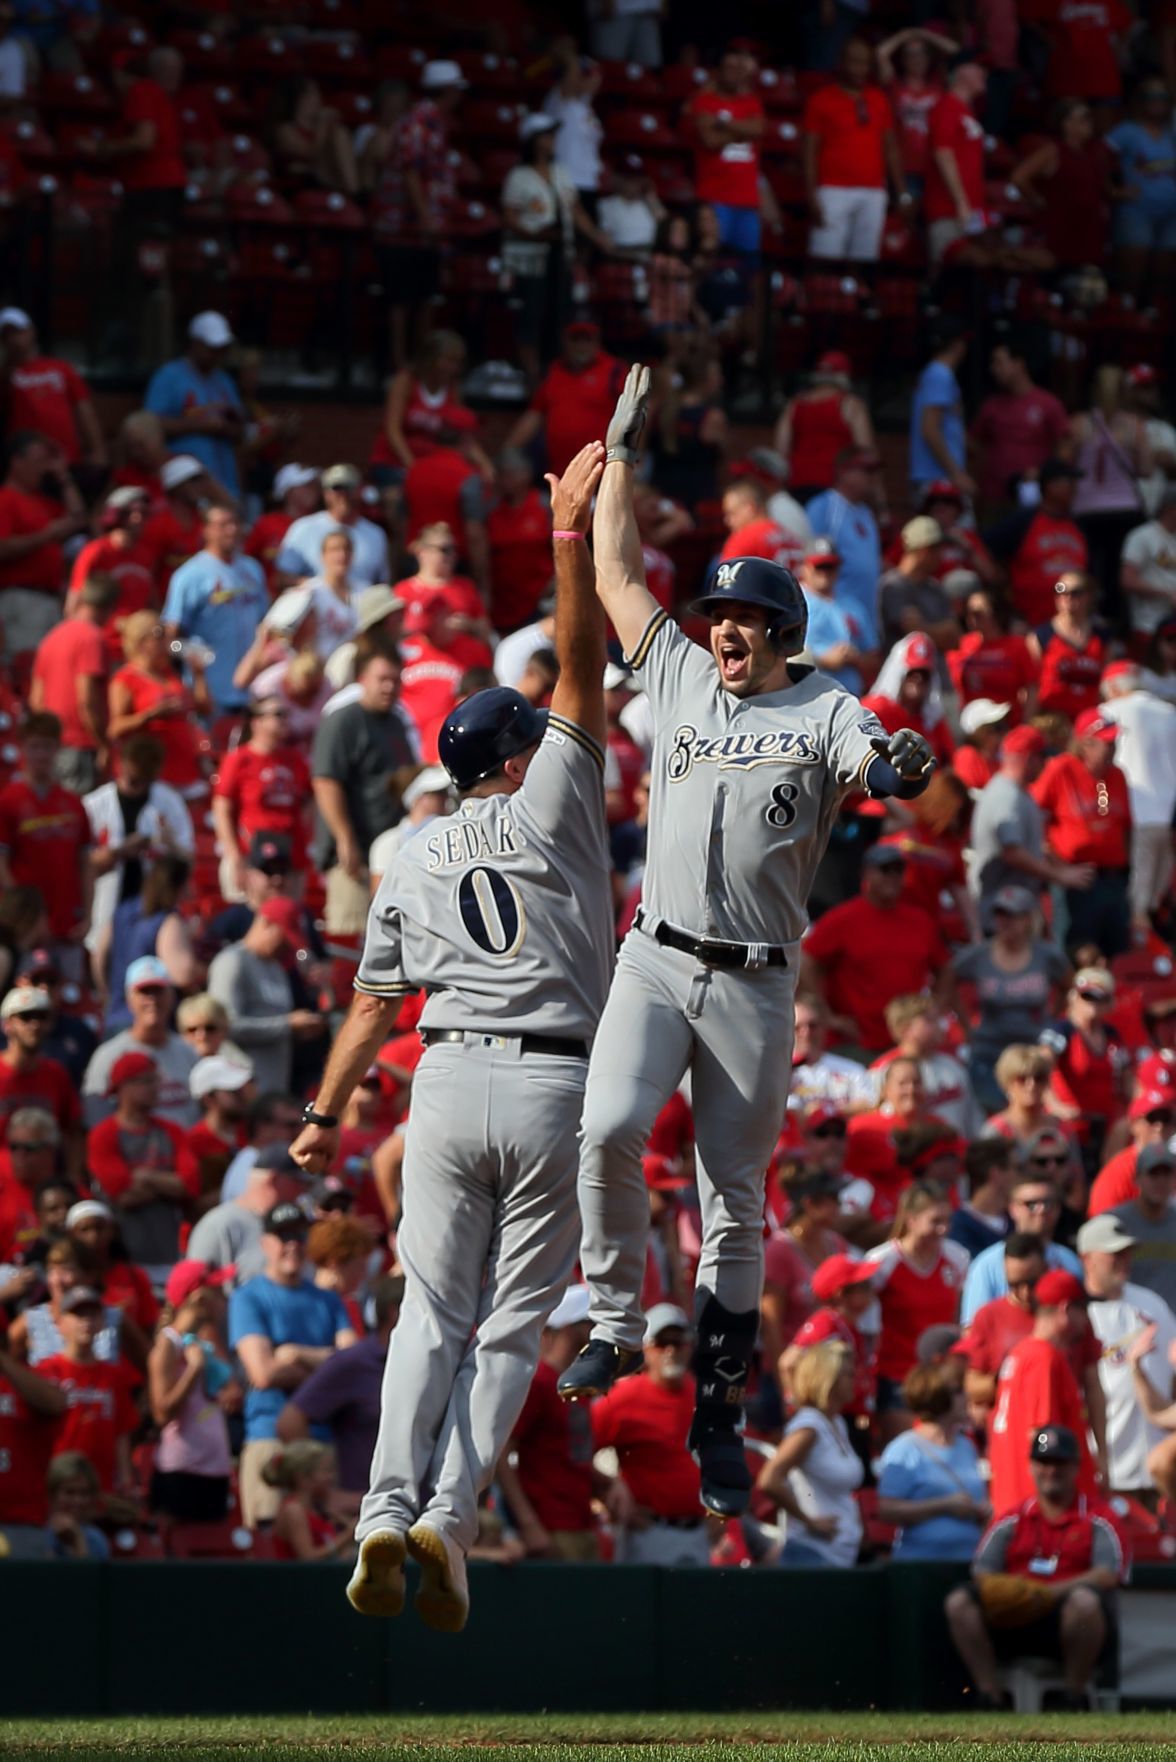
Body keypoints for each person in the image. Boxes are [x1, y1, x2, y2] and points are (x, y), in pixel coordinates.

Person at [555, 365, 935, 1524]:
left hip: (757, 983)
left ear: (781, 631)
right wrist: (619, 457)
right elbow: (616, 573)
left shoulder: (820, 705)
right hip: (656, 955)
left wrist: (899, 768)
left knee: (735, 1201)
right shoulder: (673, 671)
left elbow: (879, 760)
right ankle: (617, 1321)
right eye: (718, 613)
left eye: (746, 618)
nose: (724, 629)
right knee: (608, 1126)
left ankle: (720, 1417)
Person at [290, 441, 612, 1634]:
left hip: (438, 1075)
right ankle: (449, 1522)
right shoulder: (553, 805)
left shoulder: (410, 852)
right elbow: (580, 664)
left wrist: (324, 1115)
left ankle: (379, 1511)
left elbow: (372, 1006)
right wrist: (568, 542)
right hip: (547, 1082)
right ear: (516, 759)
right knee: (512, 1322)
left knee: (426, 1312)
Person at [228, 1201, 356, 1528]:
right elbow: (264, 1373)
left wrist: (297, 1353)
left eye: (299, 1235)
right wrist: (328, 1364)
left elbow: (352, 1366)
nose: (292, 1244)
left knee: (337, 1545)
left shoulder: (328, 1299)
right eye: (283, 1236)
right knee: (270, 1544)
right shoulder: (248, 1297)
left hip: (324, 1445)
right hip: (270, 1440)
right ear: (265, 1242)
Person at [496, 1284, 611, 1562]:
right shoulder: (539, 1382)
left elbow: (569, 1454)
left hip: (580, 1523)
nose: (595, 1331)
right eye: (589, 1323)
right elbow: (501, 1452)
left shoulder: (575, 1383)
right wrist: (529, 1524)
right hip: (552, 1527)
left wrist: (610, 1484)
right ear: (572, 1327)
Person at [311, 641, 417, 938]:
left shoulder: (396, 721)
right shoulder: (343, 720)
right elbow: (326, 781)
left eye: (396, 680)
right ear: (362, 678)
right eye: (382, 679)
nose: (390, 687)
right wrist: (345, 839)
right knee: (352, 937)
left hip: (388, 853)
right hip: (352, 858)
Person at [587, 1302, 707, 1565]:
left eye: (679, 1341)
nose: (671, 1350)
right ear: (646, 1348)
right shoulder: (624, 1398)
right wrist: (608, 1489)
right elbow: (577, 1452)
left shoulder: (702, 1395)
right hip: (649, 1531)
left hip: (699, 1532)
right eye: (662, 1342)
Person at [276, 1275, 404, 1513]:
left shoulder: (438, 1366)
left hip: (431, 1519)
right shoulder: (354, 1362)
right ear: (394, 1312)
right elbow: (290, 1421)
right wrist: (325, 1493)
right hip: (368, 1517)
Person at [802, 846, 945, 1055]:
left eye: (898, 870)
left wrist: (935, 1010)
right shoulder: (844, 919)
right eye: (885, 869)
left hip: (906, 1044)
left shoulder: (920, 920)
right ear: (866, 873)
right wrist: (828, 1016)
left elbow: (945, 967)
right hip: (856, 1043)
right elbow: (806, 961)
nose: (893, 876)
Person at [944, 887, 1070, 1113]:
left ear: (1028, 918)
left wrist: (1052, 1016)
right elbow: (948, 978)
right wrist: (964, 1024)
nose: (1006, 922)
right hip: (989, 1051)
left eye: (1013, 915)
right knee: (996, 1112)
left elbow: (1069, 986)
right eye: (1001, 915)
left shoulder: (1047, 956)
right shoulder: (979, 955)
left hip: (1032, 1051)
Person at [1079, 1212, 1176, 1503]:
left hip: (1161, 1466)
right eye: (1114, 1254)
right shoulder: (1078, 1313)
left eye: (1127, 1253)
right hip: (1111, 1465)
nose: (1123, 1261)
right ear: (1088, 1259)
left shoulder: (1150, 1303)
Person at [988, 1270, 1099, 1516]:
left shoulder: (1022, 1352)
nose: (1086, 1320)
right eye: (1082, 1310)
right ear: (1065, 1309)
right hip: (1039, 1517)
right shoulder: (1043, 1358)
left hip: (1017, 1506)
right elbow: (1043, 1439)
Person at [866, 1183, 968, 1434]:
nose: (943, 1229)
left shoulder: (957, 1258)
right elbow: (865, 1322)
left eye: (947, 1220)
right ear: (911, 1220)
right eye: (935, 1221)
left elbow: (958, 1320)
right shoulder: (881, 1263)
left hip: (942, 1379)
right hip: (897, 1377)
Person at [1034, 708, 1131, 959]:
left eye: (1114, 742)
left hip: (1113, 880)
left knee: (1117, 953)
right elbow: (1033, 818)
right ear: (1085, 743)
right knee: (1073, 951)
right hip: (1075, 880)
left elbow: (1126, 828)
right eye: (1106, 743)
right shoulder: (1061, 769)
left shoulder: (1117, 775)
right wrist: (1056, 866)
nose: (1113, 748)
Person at [757, 1340, 864, 1567]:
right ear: (828, 1379)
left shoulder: (836, 1422)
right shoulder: (808, 1428)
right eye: (848, 1375)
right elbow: (769, 1479)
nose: (854, 1380)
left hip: (837, 1555)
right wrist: (808, 1521)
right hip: (811, 1555)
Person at [85, 1052, 191, 1273]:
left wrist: (145, 1177)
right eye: (146, 1081)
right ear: (122, 1086)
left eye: (155, 1080)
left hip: (169, 1252)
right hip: (125, 1257)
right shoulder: (103, 1135)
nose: (154, 1087)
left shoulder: (172, 1131)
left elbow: (189, 1185)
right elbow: (122, 1195)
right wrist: (167, 1186)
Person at [148, 1258, 236, 1522]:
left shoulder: (200, 1342)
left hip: (214, 1471)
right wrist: (193, 1370)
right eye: (218, 1290)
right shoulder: (167, 1345)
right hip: (182, 1473)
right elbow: (162, 1413)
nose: (224, 1297)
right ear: (198, 1298)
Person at [969, 726, 1092, 916]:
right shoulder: (1007, 796)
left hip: (1014, 907)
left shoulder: (1017, 792)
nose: (1046, 763)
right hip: (1001, 913)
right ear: (1028, 759)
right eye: (1041, 758)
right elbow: (1013, 852)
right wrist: (1059, 875)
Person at [802, 38, 905, 263]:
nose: (860, 69)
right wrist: (811, 194)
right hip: (832, 191)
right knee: (824, 259)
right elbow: (809, 152)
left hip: (874, 192)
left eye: (865, 63)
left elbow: (890, 148)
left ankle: (857, 298)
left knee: (865, 261)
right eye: (854, 62)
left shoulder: (879, 99)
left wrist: (902, 191)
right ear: (841, 62)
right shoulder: (820, 100)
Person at [0, 713, 92, 960]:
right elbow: (2, 866)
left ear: (58, 749)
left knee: (71, 994)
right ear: (22, 749)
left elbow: (85, 865)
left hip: (67, 926)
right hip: (24, 931)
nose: (41, 754)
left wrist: (89, 915)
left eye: (47, 746)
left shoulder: (73, 804)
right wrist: (25, 915)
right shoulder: (8, 802)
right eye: (34, 746)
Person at [207, 900, 321, 1097]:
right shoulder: (233, 961)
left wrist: (300, 1031)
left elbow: (274, 1023)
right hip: (240, 1088)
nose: (286, 947)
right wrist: (288, 1025)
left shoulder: (277, 968)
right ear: (266, 924)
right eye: (283, 938)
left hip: (275, 1087)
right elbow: (224, 1026)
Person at [162, 505, 268, 718]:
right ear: (206, 530)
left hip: (251, 690)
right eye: (222, 525)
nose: (231, 530)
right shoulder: (190, 575)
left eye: (234, 523)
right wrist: (194, 653)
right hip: (210, 693)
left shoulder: (252, 569)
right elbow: (170, 639)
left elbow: (265, 624)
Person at [877, 1361, 989, 1560]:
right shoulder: (904, 1449)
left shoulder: (967, 1447)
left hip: (967, 1563)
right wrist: (943, 1506)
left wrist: (982, 1509)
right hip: (921, 1567)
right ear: (938, 1396)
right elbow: (886, 1509)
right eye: (958, 1391)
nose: (966, 1397)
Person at [37, 1285, 139, 1494]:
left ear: (102, 1322)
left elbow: (121, 1435)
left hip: (101, 1490)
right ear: (60, 1322)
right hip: (56, 1489)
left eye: (92, 1314)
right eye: (78, 1314)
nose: (86, 1321)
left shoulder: (114, 1375)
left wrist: (127, 1481)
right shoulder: (44, 1373)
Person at [1100, 661, 1176, 932]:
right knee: (1155, 894)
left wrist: (1102, 806)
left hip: (1129, 812)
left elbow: (1100, 770)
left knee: (1137, 902)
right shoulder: (1169, 712)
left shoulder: (1108, 712)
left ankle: (1141, 958)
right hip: (1167, 814)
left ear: (1112, 688)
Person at [27, 574, 117, 797]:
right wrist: (103, 744)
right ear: (109, 607)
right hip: (81, 746)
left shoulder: (52, 636)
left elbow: (36, 700)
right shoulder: (92, 638)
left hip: (55, 747)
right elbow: (86, 699)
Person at [212, 700, 312, 900]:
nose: (283, 720)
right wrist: (235, 857)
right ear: (256, 722)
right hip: (252, 856)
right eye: (277, 715)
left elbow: (308, 801)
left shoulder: (295, 759)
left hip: (289, 856)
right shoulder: (239, 759)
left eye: (285, 715)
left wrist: (302, 839)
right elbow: (222, 808)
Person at [82, 959, 198, 1130]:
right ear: (129, 999)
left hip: (184, 1151)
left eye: (158, 991)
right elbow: (95, 1116)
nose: (152, 1000)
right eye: (144, 992)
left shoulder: (188, 1052)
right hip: (132, 1153)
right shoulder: (109, 1055)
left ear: (171, 996)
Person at [0, 430, 87, 658]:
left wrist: (63, 476)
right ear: (17, 462)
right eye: (39, 461)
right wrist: (45, 536)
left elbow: (78, 519)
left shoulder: (41, 502)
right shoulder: (5, 499)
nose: (44, 468)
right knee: (26, 665)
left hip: (50, 598)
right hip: (21, 599)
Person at [506, 322, 624, 480]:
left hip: (603, 473)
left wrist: (634, 455)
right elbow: (535, 414)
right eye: (576, 339)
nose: (581, 345)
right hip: (560, 474)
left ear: (597, 342)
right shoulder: (554, 371)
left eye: (587, 339)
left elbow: (634, 415)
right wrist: (509, 448)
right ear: (565, 342)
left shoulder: (614, 370)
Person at [144, 313, 243, 499]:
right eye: (211, 347)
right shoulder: (169, 377)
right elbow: (149, 425)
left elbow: (239, 426)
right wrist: (199, 425)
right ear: (195, 343)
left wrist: (229, 427)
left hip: (225, 481)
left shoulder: (224, 381)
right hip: (186, 487)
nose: (217, 354)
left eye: (221, 348)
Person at [1010, 100, 1114, 274]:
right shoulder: (1053, 151)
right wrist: (1037, 199)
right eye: (1083, 119)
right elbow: (1018, 177)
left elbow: (1102, 184)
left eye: (1089, 118)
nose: (1089, 123)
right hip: (1062, 229)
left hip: (1089, 228)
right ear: (1066, 124)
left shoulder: (1095, 152)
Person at [962, 1175, 1084, 1323]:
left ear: (1058, 1208)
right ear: (1012, 1209)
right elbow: (973, 1329)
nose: (1041, 1210)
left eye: (1048, 1203)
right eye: (1031, 1204)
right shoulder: (986, 1265)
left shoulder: (1070, 1260)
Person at [683, 45, 765, 262]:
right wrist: (742, 132)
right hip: (714, 198)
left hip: (747, 201)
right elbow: (709, 141)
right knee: (710, 258)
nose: (735, 73)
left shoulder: (752, 102)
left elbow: (759, 129)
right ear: (718, 71)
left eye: (739, 68)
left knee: (748, 265)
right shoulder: (704, 101)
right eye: (729, 68)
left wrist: (721, 122)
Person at [0, 308, 105, 475]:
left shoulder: (61, 368)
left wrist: (97, 450)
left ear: (31, 331)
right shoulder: (6, 374)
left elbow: (84, 410)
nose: (14, 338)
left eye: (18, 331)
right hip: (27, 467)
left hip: (68, 459)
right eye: (8, 334)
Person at [188, 1144, 309, 1285]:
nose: (303, 1191)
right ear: (273, 1179)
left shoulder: (297, 1223)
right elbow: (195, 1290)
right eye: (299, 1183)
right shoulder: (219, 1224)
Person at [806, 447, 884, 650]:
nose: (870, 477)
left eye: (872, 471)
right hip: (830, 617)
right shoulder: (824, 505)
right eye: (864, 470)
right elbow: (811, 557)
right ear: (843, 471)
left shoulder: (866, 513)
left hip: (863, 614)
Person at [0, 986, 82, 1174]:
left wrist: (73, 1178)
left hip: (46, 1186)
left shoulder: (56, 1073)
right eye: (26, 1017)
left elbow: (73, 1132)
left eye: (41, 1017)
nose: (35, 1024)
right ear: (7, 1024)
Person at [774, 354, 876, 502]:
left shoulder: (795, 405)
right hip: (835, 486)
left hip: (797, 483)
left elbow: (781, 450)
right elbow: (866, 452)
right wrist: (879, 502)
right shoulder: (851, 405)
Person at [923, 53, 989, 271]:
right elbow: (943, 154)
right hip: (949, 209)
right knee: (947, 271)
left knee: (972, 274)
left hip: (970, 210)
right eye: (977, 67)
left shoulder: (966, 111)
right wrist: (961, 203)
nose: (983, 73)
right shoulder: (946, 107)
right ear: (960, 72)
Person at [1107, 1142, 1176, 1313]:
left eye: (1166, 1174)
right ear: (1137, 1178)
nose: (1161, 1181)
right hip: (1129, 1319)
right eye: (1153, 1173)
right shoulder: (1115, 1223)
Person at [878, 517, 961, 653]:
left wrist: (923, 627)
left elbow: (954, 638)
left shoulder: (935, 587)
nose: (941, 556)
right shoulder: (892, 586)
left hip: (937, 673)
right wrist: (938, 631)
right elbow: (913, 635)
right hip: (907, 673)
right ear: (923, 550)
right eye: (936, 549)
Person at [797, 538, 870, 695]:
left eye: (830, 567)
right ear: (805, 568)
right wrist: (823, 660)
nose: (825, 573)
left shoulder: (853, 606)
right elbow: (779, 653)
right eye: (820, 566)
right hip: (805, 696)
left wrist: (856, 658)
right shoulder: (793, 601)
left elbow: (874, 657)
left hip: (849, 699)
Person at [1031, 572, 1106, 722]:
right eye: (1060, 590)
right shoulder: (1040, 636)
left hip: (1089, 719)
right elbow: (1032, 685)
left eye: (1075, 592)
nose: (1066, 596)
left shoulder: (1102, 637)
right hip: (1053, 721)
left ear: (1089, 596)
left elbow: (1106, 683)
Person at [264, 1441, 355, 1562]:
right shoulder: (293, 1510)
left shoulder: (318, 1509)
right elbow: (308, 1557)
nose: (332, 1477)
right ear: (302, 1478)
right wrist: (347, 1535)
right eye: (326, 1471)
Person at [910, 318, 971, 498]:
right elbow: (930, 428)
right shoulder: (940, 375)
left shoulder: (934, 373)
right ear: (956, 344)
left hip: (935, 476)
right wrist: (956, 473)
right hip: (938, 478)